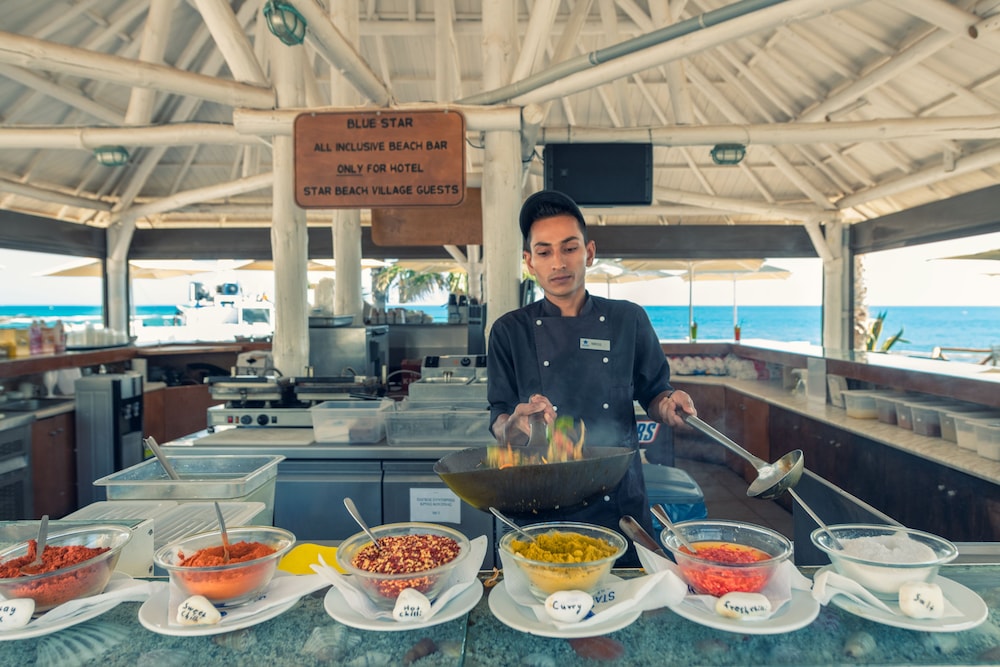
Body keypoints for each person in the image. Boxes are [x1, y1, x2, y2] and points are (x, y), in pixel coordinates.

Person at [487, 190, 697, 567]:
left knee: (626, 611)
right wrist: (515, 425)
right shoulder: (508, 331)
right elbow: (501, 423)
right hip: (538, 505)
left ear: (589, 252)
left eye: (569, 248)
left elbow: (655, 392)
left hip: (618, 502)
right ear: (529, 262)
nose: (558, 262)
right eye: (545, 251)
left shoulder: (628, 320)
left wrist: (668, 406)